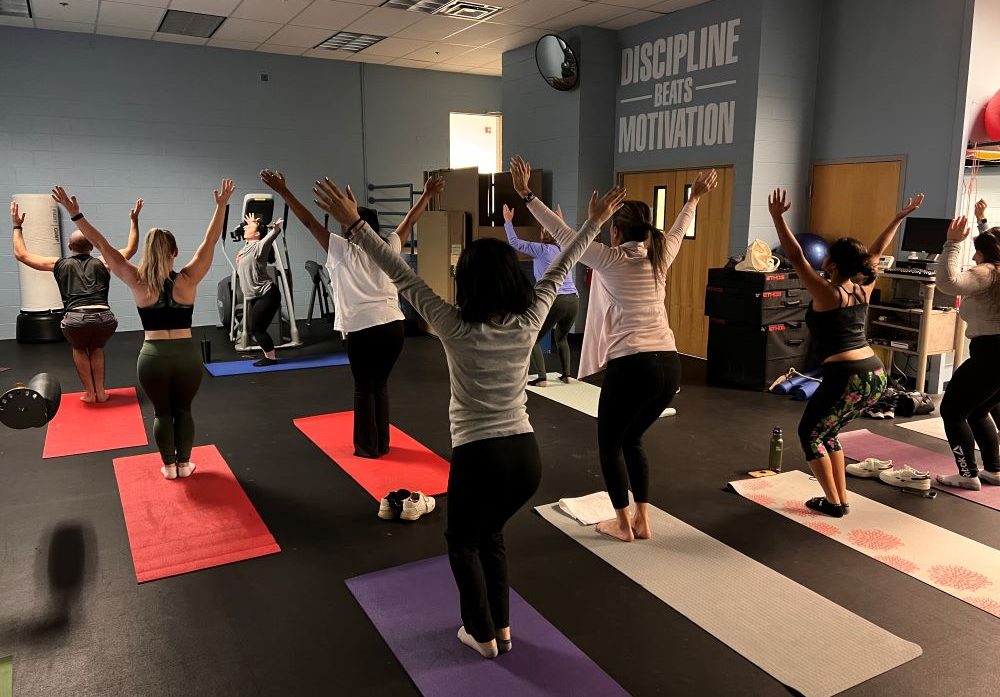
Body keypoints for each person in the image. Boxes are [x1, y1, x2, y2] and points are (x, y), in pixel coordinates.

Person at [313, 171, 625, 660]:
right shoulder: (530, 318)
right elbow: (562, 264)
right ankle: (500, 628)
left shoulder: (451, 324)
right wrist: (594, 222)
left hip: (480, 456)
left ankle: (479, 631)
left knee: (461, 539)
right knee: (492, 535)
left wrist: (354, 225)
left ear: (468, 284)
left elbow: (399, 272)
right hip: (526, 458)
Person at [512, 157, 715, 542]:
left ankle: (622, 525)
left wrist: (528, 195)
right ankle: (642, 519)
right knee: (633, 439)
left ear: (617, 232)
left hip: (633, 366)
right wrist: (695, 197)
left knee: (609, 444)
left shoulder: (610, 259)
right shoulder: (661, 256)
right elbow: (679, 225)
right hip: (670, 366)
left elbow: (564, 236)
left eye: (610, 232)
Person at [51, 180, 235, 480]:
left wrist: (76, 215)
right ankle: (185, 464)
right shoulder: (188, 279)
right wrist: (221, 206)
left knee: (162, 413)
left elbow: (103, 246)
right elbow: (210, 240)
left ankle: (168, 466)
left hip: (153, 357)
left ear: (146, 252)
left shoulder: (137, 279)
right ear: (175, 251)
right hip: (186, 356)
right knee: (183, 411)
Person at [260, 169, 443, 458]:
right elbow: (410, 219)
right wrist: (428, 195)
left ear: (350, 227)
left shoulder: (341, 249)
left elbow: (308, 222)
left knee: (364, 388)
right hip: (393, 326)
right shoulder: (390, 246)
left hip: (362, 329)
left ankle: (367, 447)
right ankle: (382, 442)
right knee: (380, 386)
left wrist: (283, 191)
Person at [768, 189, 924, 516]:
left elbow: (796, 256)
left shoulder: (828, 292)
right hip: (875, 375)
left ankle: (834, 503)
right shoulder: (863, 287)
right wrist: (897, 218)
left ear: (833, 263)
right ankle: (839, 499)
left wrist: (778, 218)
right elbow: (877, 252)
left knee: (810, 434)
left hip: (847, 376)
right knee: (829, 432)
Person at [11, 198, 142, 403]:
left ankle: (90, 394)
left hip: (75, 319)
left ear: (70, 246)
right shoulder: (104, 261)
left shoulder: (59, 263)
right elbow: (131, 249)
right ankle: (101, 392)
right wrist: (134, 220)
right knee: (97, 348)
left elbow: (22, 255)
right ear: (91, 246)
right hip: (104, 318)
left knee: (80, 349)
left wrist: (17, 225)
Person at [934, 216, 1000, 490]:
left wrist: (952, 243)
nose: (974, 256)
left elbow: (948, 284)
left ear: (986, 253)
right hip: (994, 353)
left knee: (952, 410)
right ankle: (994, 470)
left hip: (992, 353)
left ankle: (967, 474)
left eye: (977, 251)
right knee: (979, 409)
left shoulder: (989, 271)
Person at [502, 203, 579, 385]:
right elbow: (564, 235)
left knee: (534, 338)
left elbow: (514, 243)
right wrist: (560, 222)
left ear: (542, 235)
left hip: (555, 299)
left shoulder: (540, 249)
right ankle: (567, 375)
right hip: (573, 300)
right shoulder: (563, 249)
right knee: (562, 337)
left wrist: (508, 222)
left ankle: (542, 378)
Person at [235, 213, 284, 366]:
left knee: (257, 328)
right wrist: (251, 223)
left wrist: (275, 230)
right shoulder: (245, 248)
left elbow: (269, 240)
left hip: (267, 294)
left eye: (249, 228)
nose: (245, 229)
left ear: (257, 234)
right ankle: (269, 356)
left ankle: (271, 359)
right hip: (257, 295)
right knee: (255, 328)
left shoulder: (258, 247)